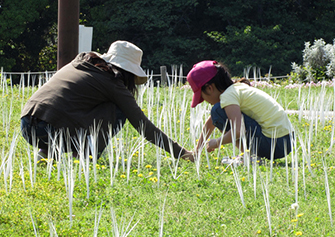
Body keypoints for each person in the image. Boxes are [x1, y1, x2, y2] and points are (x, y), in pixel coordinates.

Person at [21, 40, 193, 161]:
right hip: (51, 129)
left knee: (70, 109)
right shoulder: (112, 82)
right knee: (118, 111)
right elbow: (142, 125)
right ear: (129, 72)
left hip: (27, 125)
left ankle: (45, 153)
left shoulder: (79, 63)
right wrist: (182, 153)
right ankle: (84, 157)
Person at [187, 60, 293, 164]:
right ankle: (249, 156)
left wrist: (216, 142)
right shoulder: (236, 89)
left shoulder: (228, 96)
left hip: (275, 144)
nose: (205, 101)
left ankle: (249, 157)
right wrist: (197, 151)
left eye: (202, 96)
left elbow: (238, 131)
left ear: (210, 88)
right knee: (217, 111)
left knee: (217, 110)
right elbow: (210, 123)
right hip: (285, 142)